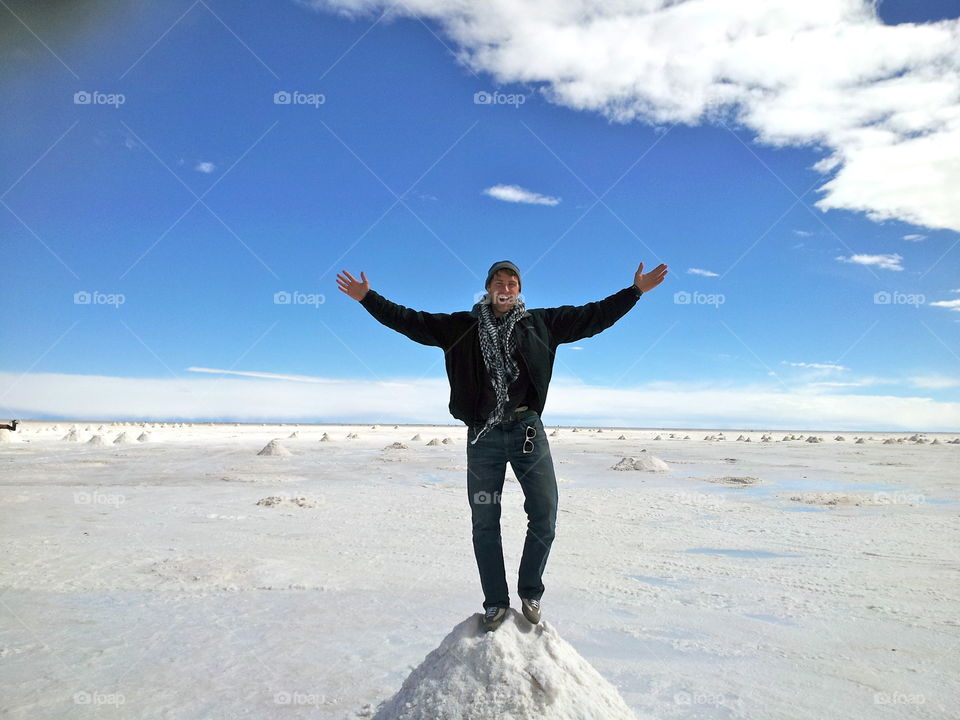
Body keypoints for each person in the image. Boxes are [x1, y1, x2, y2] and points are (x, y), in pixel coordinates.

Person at [336, 260, 668, 631]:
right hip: (483, 437)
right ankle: (495, 602)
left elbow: (594, 316)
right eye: (499, 282)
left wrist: (634, 292)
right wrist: (368, 298)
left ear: (519, 289)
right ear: (488, 288)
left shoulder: (542, 324)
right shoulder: (462, 327)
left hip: (527, 431)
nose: (506, 288)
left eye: (512, 283)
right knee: (485, 521)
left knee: (544, 511)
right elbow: (412, 321)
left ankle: (531, 591)